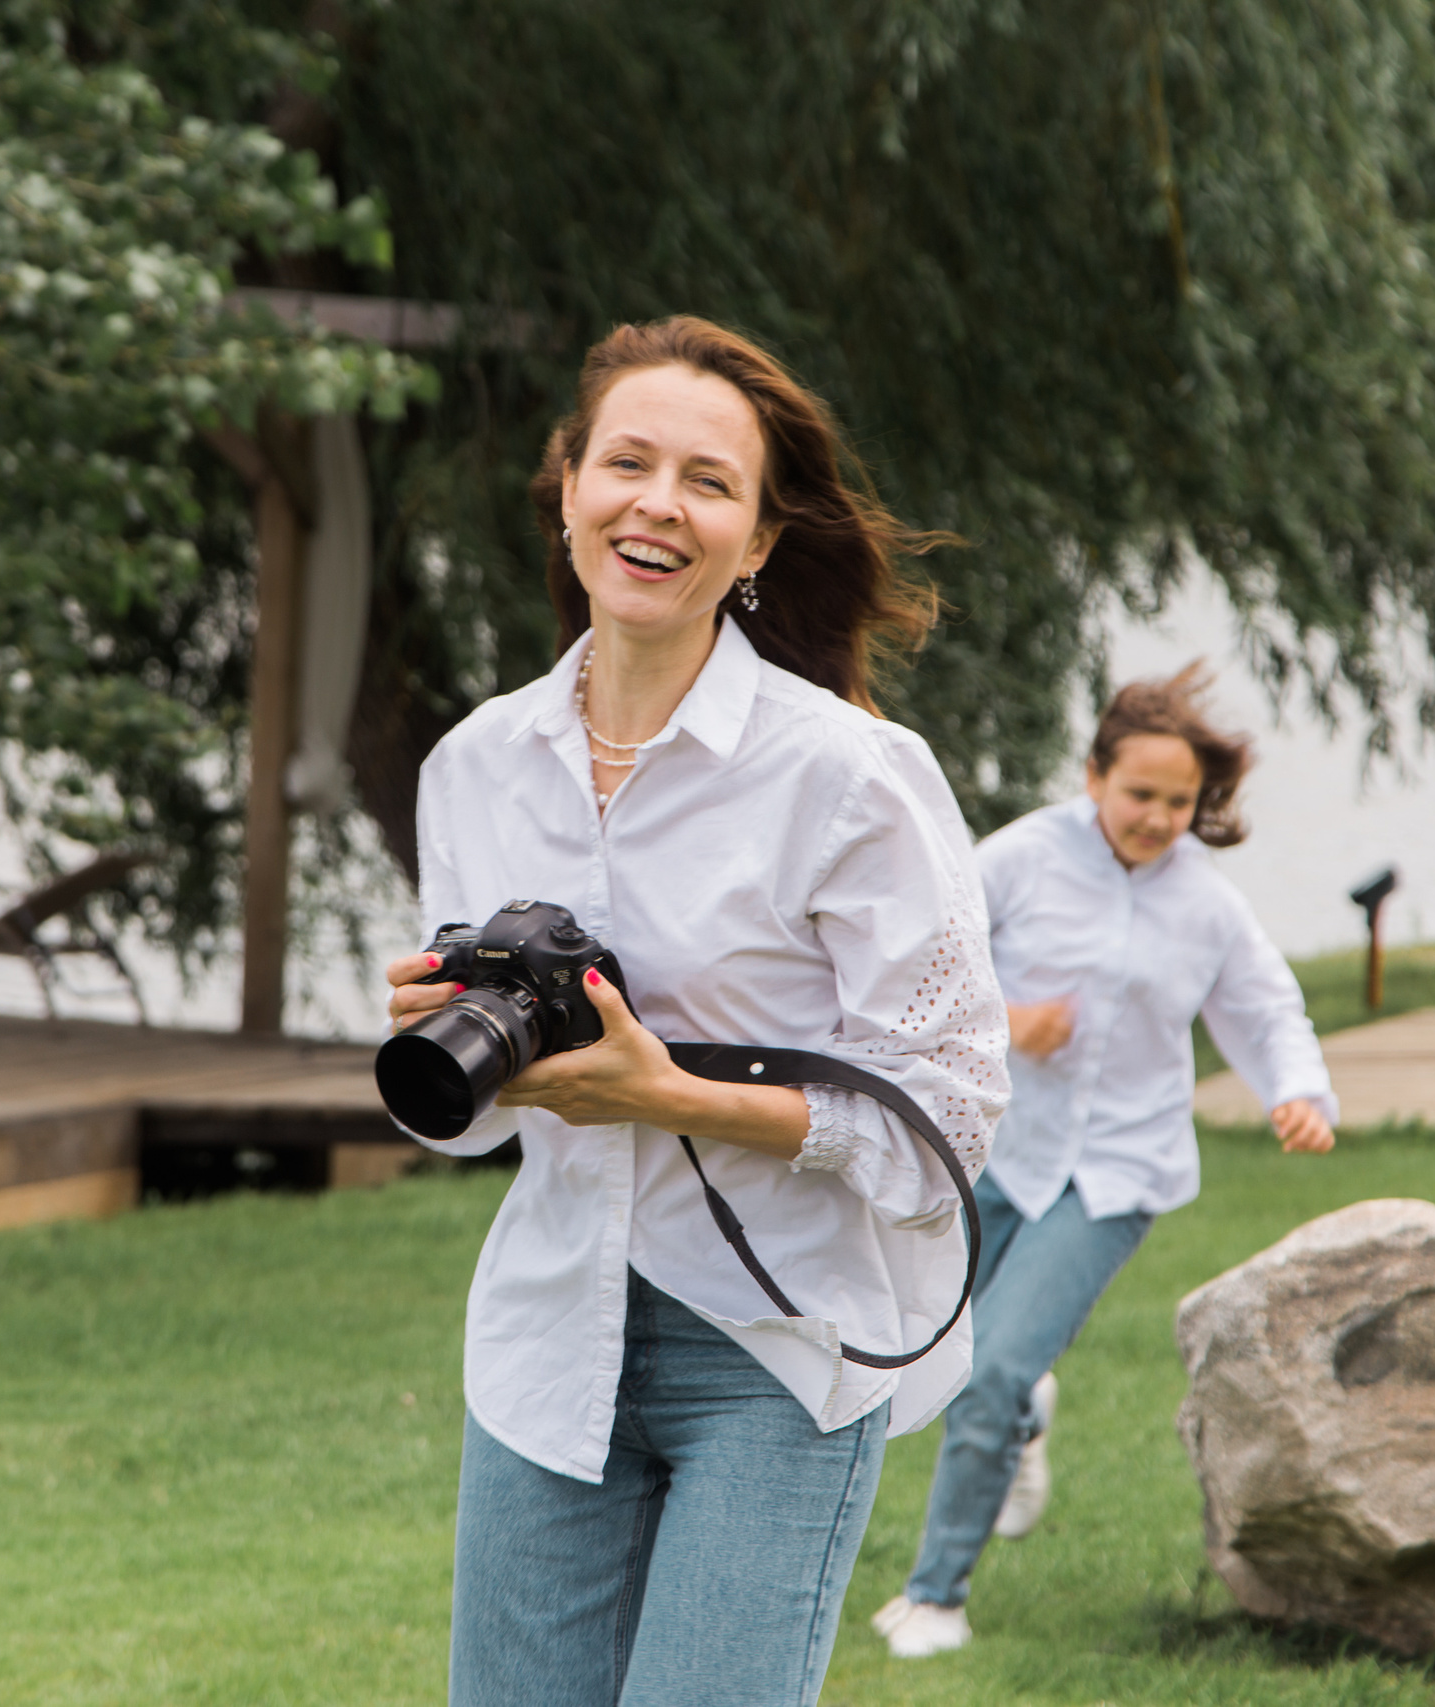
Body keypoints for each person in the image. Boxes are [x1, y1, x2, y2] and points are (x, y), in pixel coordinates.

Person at [383, 316, 1009, 1707]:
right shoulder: (475, 766)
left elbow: (950, 1124)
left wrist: (667, 1095)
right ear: (566, 488)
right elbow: (476, 1140)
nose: (658, 504)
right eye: (628, 462)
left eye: (709, 481)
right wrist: (462, 1057)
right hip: (549, 1339)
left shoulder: (852, 776)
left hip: (774, 1348)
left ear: (763, 540)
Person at [870, 664, 1339, 1661]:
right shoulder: (1016, 860)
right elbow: (916, 971)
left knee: (991, 1366)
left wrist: (1296, 1091)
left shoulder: (1206, 907)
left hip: (1120, 1170)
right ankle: (1025, 1417)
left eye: (1180, 802)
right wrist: (1007, 1023)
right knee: (930, 1351)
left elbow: (1262, 1006)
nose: (1158, 817)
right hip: (992, 1149)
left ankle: (934, 1597)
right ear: (1092, 777)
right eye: (1139, 794)